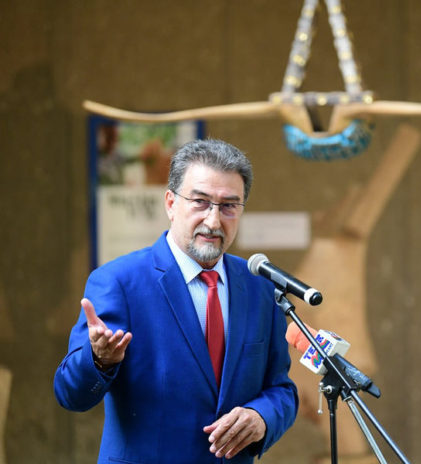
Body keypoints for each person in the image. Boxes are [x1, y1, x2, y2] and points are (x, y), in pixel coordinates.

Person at [54, 138, 298, 463]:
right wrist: (99, 360)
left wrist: (262, 417)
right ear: (170, 203)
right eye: (200, 202)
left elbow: (281, 389)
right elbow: (70, 395)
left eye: (228, 206)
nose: (213, 221)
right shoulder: (118, 281)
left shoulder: (260, 286)